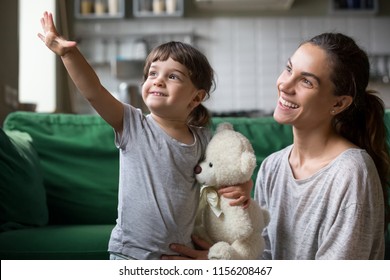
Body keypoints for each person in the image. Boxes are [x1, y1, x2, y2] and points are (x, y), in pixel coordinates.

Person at [38, 11, 250, 260]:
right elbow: (94, 91)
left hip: (179, 256)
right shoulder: (132, 125)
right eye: (153, 73)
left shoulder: (203, 139)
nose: (158, 81)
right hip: (129, 253)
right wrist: (67, 53)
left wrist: (245, 186)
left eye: (172, 76)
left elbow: (231, 172)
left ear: (196, 98)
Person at [164, 32, 389, 260]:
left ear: (339, 103)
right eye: (289, 69)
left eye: (306, 81)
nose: (285, 84)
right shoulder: (273, 166)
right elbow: (266, 256)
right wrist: (228, 263)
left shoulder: (351, 171)